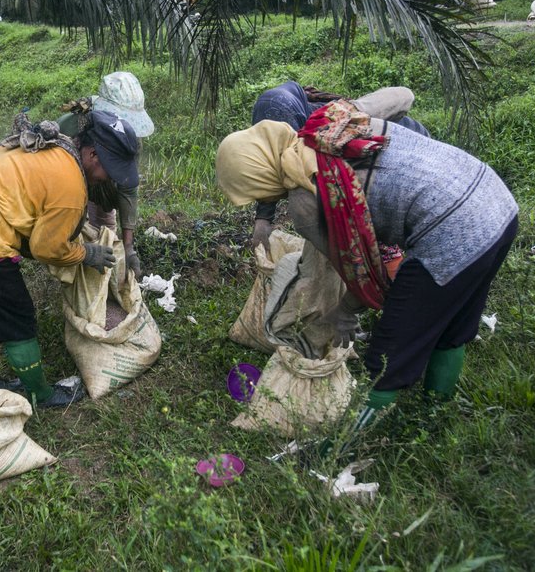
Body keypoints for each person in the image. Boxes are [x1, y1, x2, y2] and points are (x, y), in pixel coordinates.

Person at [216, 99, 518, 443]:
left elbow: (361, 273)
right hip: (496, 203)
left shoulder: (303, 201)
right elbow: (404, 95)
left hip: (450, 233)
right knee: (452, 326)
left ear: (258, 175)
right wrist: (353, 105)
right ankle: (436, 416)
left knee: (387, 355)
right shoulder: (332, 123)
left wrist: (342, 313)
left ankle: (340, 449)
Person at [0, 111, 140, 408]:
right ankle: (42, 395)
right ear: (91, 155)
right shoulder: (71, 186)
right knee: (20, 322)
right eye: (110, 169)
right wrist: (86, 253)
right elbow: (46, 248)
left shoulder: (50, 148)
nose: (109, 178)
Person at [249, 81, 431, 251]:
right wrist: (263, 219)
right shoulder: (277, 138)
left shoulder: (329, 136)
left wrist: (264, 219)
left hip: (411, 145)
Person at [56, 71, 155, 280]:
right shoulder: (70, 126)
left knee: (104, 235)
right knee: (72, 234)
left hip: (100, 186)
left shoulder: (128, 140)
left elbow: (128, 190)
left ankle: (107, 270)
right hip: (66, 189)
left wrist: (128, 247)